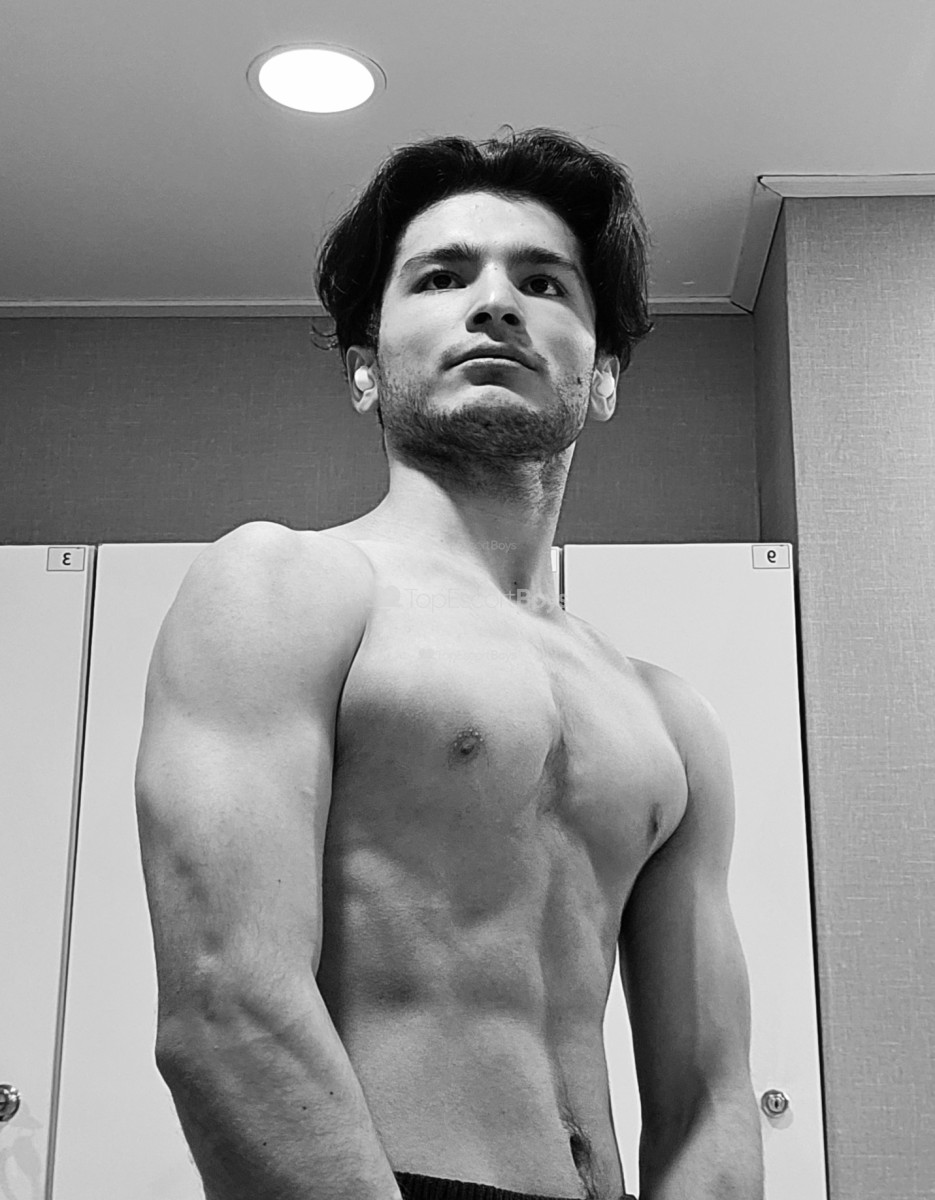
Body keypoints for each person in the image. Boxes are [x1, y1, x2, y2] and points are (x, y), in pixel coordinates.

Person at [135, 126, 764, 1200]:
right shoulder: (284, 588)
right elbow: (224, 1004)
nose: (495, 302)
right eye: (440, 276)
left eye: (543, 282)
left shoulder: (668, 719)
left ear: (602, 379)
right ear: (364, 371)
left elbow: (709, 1093)